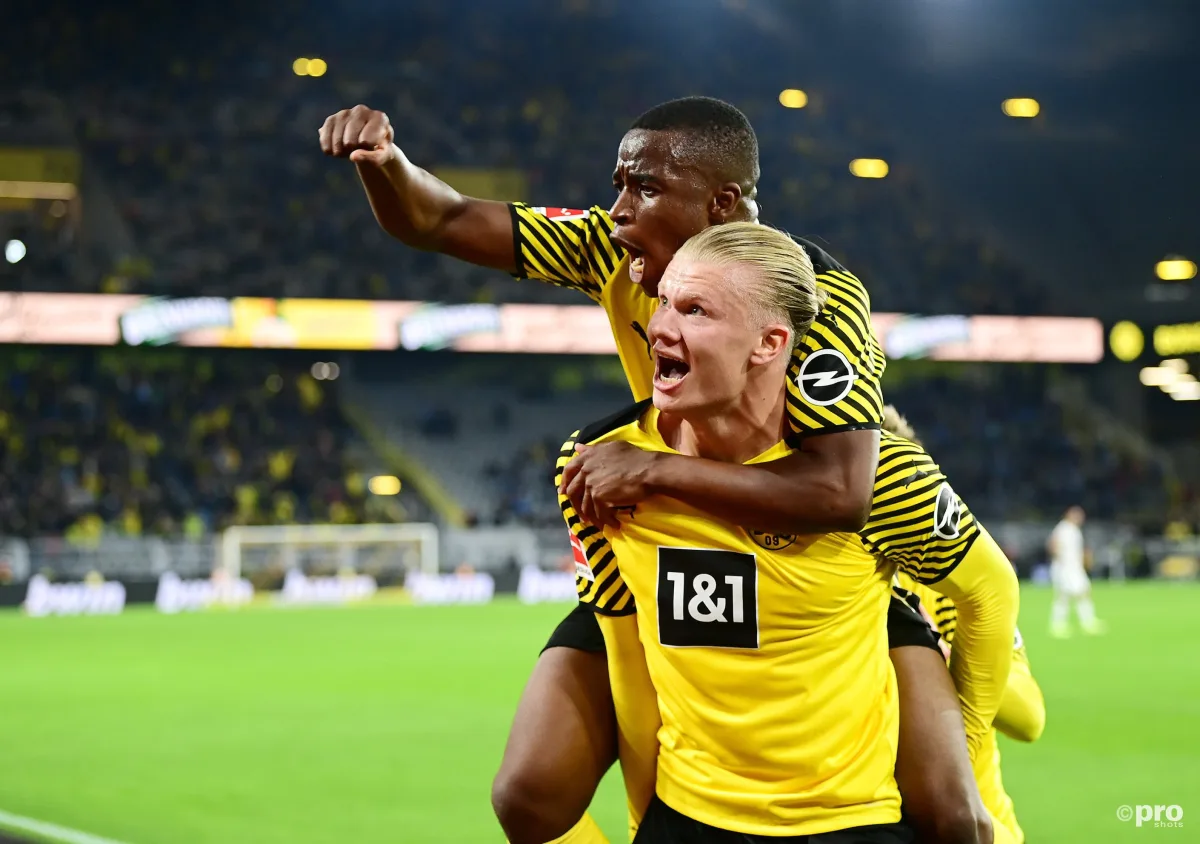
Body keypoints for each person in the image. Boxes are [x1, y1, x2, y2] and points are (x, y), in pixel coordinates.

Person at [320, 97, 1015, 843]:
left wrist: (651, 473)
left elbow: (840, 491)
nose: (617, 211)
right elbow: (443, 219)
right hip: (667, 544)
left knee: (952, 816)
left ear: (723, 206)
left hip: (812, 575)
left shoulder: (816, 298)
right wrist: (387, 165)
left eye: (644, 188)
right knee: (528, 792)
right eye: (620, 184)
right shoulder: (613, 250)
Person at [561, 222, 912, 841]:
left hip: (851, 818)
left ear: (769, 343)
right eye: (664, 300)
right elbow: (626, 654)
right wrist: (647, 817)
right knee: (523, 794)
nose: (661, 326)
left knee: (957, 814)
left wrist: (972, 749)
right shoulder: (599, 463)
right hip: (691, 811)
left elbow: (986, 590)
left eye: (695, 310)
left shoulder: (875, 475)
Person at [885, 406, 1046, 844]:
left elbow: (1029, 717)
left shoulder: (959, 588)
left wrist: (941, 655)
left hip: (983, 826)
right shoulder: (829, 588)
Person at [1047, 506, 1105, 637]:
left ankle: (1085, 622)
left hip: (1074, 568)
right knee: (1067, 595)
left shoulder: (1074, 530)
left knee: (1077, 593)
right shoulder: (1063, 528)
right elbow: (1053, 545)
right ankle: (1062, 625)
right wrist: (1061, 561)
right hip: (1066, 568)